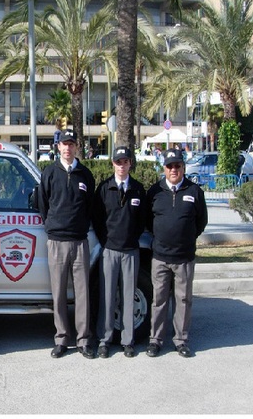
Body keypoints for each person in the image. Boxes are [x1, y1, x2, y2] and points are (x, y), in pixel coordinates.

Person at [38, 130, 96, 359]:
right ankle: (61, 338)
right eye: (64, 144)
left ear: (76, 147)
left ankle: (83, 340)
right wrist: (52, 226)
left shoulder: (86, 175)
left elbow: (90, 207)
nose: (68, 148)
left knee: (82, 293)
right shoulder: (50, 173)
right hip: (57, 242)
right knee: (59, 294)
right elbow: (43, 204)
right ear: (58, 147)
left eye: (71, 144)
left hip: (80, 242)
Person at [145, 148, 208, 358]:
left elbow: (201, 222)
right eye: (170, 166)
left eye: (177, 166)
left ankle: (181, 340)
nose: (174, 170)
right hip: (160, 257)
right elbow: (148, 221)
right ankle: (156, 340)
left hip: (184, 258)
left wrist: (187, 238)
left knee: (183, 300)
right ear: (164, 168)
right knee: (159, 300)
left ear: (183, 167)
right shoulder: (154, 192)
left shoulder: (194, 192)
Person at [92, 146, 146, 358]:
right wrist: (106, 241)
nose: (121, 165)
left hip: (131, 250)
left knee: (128, 296)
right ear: (112, 163)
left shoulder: (138, 190)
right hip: (110, 251)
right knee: (107, 297)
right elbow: (97, 218)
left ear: (130, 163)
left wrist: (132, 238)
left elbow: (142, 220)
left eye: (125, 161)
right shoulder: (104, 188)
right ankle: (104, 340)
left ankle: (127, 340)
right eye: (118, 161)